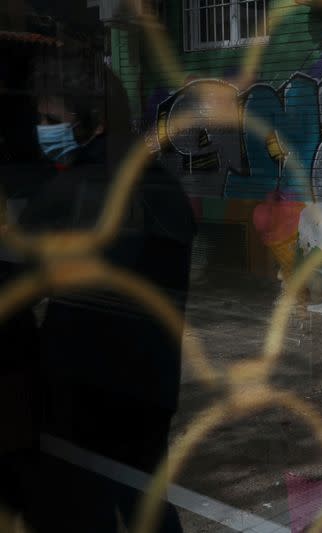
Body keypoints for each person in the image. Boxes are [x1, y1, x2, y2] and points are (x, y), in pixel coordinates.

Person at [19, 53, 194, 532]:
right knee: (143, 500)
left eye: (52, 119)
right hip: (148, 386)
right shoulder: (155, 180)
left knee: (89, 506)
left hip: (89, 390)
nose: (42, 128)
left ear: (92, 122)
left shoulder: (82, 188)